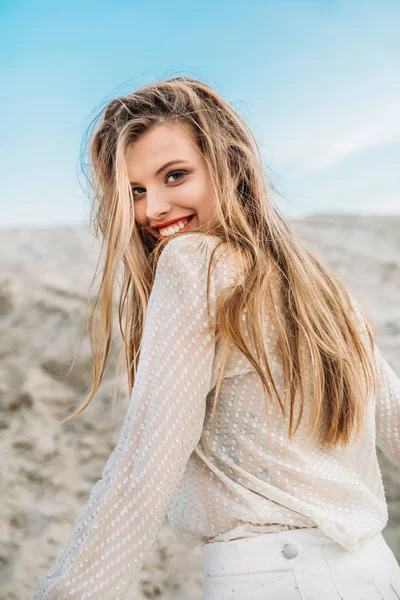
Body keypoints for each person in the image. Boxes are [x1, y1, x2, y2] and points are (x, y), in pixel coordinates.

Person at [32, 77, 400, 600]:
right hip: (373, 574)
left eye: (174, 175)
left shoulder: (193, 264)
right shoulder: (322, 289)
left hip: (275, 579)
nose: (153, 208)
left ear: (229, 164)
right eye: (135, 191)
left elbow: (144, 467)